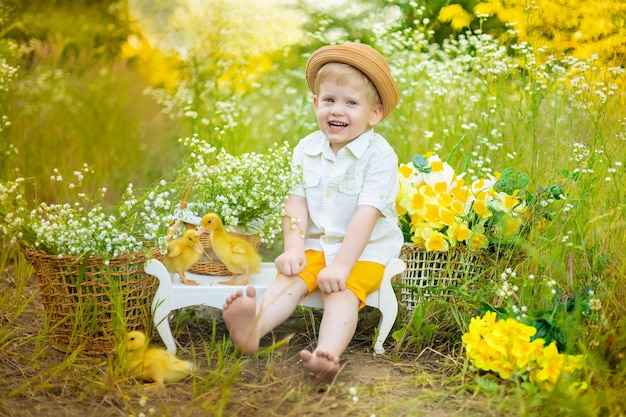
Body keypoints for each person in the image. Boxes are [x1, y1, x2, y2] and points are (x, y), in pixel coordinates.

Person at [222, 42, 403, 384]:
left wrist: (342, 266)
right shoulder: (306, 149)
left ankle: (327, 356)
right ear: (315, 103)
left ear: (374, 114)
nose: (338, 111)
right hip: (319, 243)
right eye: (330, 100)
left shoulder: (380, 156)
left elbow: (367, 214)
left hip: (365, 250)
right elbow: (296, 203)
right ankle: (251, 330)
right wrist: (293, 248)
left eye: (351, 103)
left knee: (342, 293)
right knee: (289, 279)